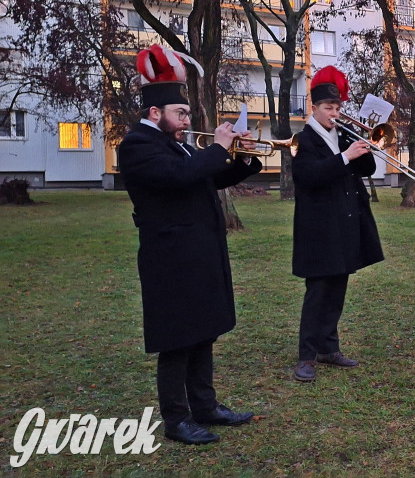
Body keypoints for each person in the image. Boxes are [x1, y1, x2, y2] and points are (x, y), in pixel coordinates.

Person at [119, 44, 262, 445]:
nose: (186, 120)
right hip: (170, 257)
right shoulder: (137, 145)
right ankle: (177, 419)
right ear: (155, 112)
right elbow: (179, 176)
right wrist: (217, 148)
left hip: (199, 252)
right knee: (177, 340)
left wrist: (242, 159)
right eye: (180, 113)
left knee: (203, 332)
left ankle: (205, 406)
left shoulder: (177, 143)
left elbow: (206, 178)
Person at [292, 66, 384, 382]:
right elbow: (308, 176)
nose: (334, 113)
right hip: (318, 227)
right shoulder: (302, 139)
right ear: (314, 108)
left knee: (337, 290)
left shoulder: (344, 135)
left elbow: (367, 169)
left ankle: (328, 348)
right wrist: (345, 157)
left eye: (337, 107)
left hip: (344, 223)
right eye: (328, 108)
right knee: (318, 292)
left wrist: (365, 145)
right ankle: (306, 356)